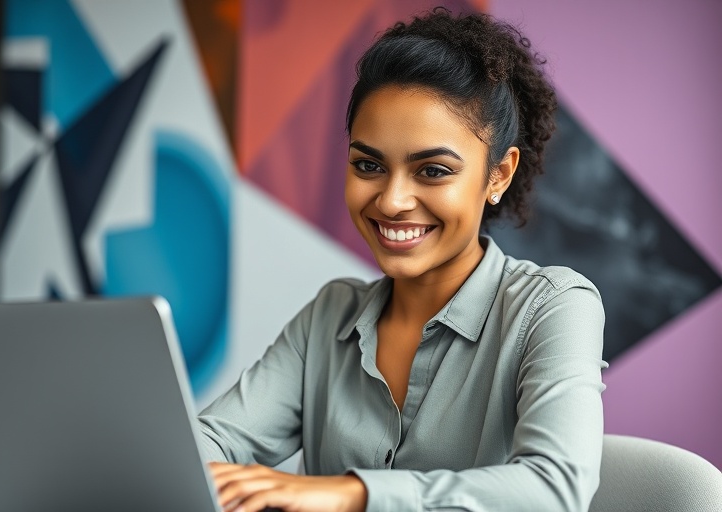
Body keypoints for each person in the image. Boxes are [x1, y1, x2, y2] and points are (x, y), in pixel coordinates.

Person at [198, 7, 607, 512]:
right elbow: (207, 443)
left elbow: (555, 489)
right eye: (368, 164)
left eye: (432, 171)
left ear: (498, 176)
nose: (391, 201)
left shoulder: (552, 308)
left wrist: (354, 493)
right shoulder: (330, 316)